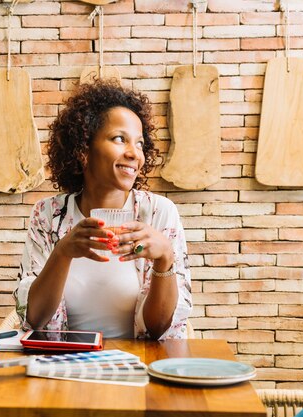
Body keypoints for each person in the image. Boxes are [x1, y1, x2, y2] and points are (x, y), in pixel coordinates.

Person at [13, 81, 192, 340]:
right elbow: (34, 319)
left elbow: (160, 329)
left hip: (139, 370)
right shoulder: (48, 215)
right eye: (120, 139)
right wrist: (63, 252)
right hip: (62, 370)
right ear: (83, 149)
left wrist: (164, 258)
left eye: (140, 143)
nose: (135, 154)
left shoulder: (159, 212)